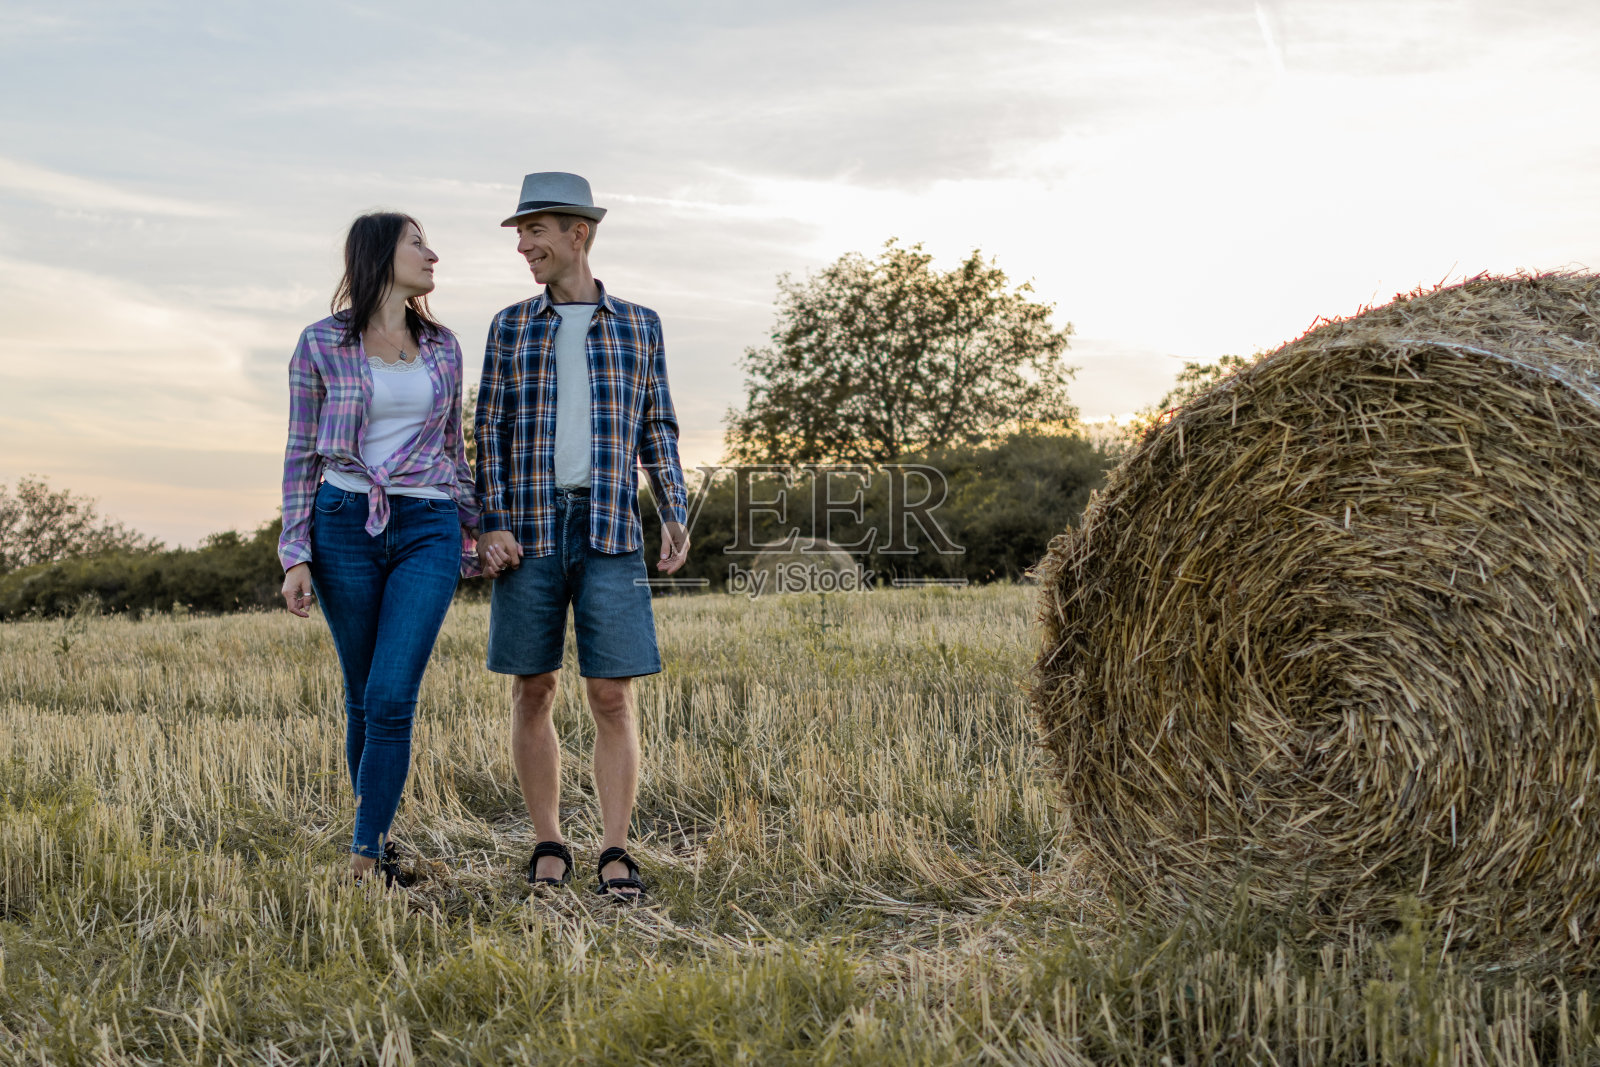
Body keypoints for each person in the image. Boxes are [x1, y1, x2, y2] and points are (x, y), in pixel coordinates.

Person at [474, 171, 690, 901]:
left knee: (610, 694)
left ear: (579, 234)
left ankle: (617, 849)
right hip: (528, 529)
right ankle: (547, 841)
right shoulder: (509, 326)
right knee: (532, 687)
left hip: (608, 527)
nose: (524, 245)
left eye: (535, 230)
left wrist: (675, 507)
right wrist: (490, 519)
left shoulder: (640, 324)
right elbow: (488, 430)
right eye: (520, 233)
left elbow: (657, 425)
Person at [278, 212, 479, 886]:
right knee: (362, 696)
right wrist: (295, 552)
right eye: (418, 243)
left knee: (393, 693)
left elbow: (455, 449)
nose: (433, 255)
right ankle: (382, 840)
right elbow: (301, 452)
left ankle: (364, 858)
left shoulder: (445, 346)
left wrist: (481, 525)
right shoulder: (320, 343)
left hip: (428, 522)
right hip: (341, 522)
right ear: (378, 254)